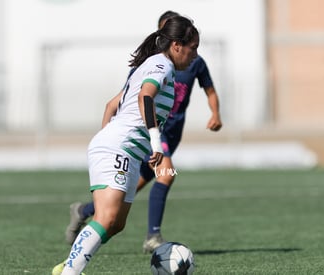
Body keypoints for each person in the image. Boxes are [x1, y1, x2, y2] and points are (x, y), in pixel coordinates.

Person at [64, 10, 223, 254]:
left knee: (130, 190)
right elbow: (120, 102)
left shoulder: (194, 62)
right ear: (172, 41)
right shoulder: (154, 66)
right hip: (151, 135)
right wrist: (110, 142)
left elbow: (210, 91)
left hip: (169, 135)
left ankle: (84, 211)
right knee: (167, 174)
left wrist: (215, 114)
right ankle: (153, 235)